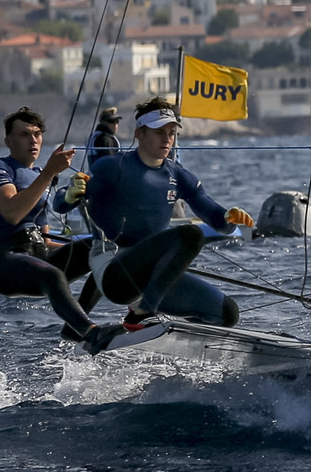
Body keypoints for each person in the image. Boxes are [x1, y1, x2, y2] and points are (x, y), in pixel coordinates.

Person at [60, 97, 253, 329]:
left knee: (227, 313)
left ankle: (170, 337)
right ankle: (142, 314)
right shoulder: (112, 167)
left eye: (172, 132)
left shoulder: (178, 175)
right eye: (159, 132)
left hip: (153, 278)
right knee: (190, 235)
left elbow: (218, 221)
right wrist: (69, 195)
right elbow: (60, 204)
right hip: (115, 272)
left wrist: (230, 218)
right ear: (139, 133)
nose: (167, 139)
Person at [0, 107, 122, 354]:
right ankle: (90, 332)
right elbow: (12, 212)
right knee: (53, 276)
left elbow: (45, 236)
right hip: (4, 261)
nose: (33, 140)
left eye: (37, 134)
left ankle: (77, 326)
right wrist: (50, 172)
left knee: (104, 249)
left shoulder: (38, 175)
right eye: (24, 134)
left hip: (38, 254)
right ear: (9, 141)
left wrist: (87, 254)